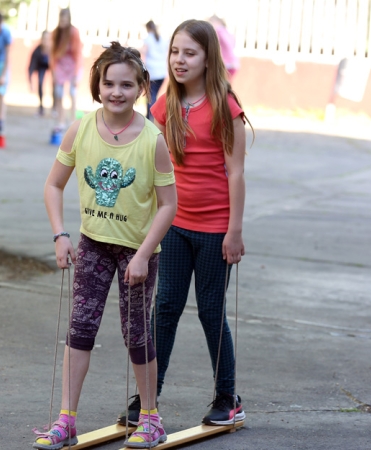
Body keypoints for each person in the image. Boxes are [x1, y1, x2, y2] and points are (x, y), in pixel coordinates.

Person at [37, 41, 177, 450]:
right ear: (97, 85)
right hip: (93, 245)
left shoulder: (152, 139)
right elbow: (53, 185)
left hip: (138, 252)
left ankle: (151, 419)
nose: (117, 92)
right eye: (109, 83)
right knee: (80, 329)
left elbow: (169, 205)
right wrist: (61, 234)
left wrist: (143, 254)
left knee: (136, 335)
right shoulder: (81, 128)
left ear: (141, 88)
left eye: (127, 85)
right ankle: (66, 420)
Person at [118, 19, 252, 428]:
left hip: (215, 231)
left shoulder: (226, 107)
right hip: (173, 226)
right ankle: (148, 398)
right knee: (165, 309)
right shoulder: (164, 104)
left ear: (208, 58)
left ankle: (227, 397)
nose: (179, 60)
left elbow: (236, 173)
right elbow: (149, 160)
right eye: (175, 51)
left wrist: (234, 231)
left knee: (211, 312)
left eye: (189, 53)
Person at [50, 8, 83, 133]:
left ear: (68, 19)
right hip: (60, 65)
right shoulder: (56, 33)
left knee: (72, 92)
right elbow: (53, 55)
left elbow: (78, 54)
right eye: (61, 19)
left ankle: (72, 121)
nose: (62, 21)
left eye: (65, 19)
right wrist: (53, 73)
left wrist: (75, 75)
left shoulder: (74, 32)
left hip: (73, 64)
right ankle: (61, 121)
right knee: (58, 93)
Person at [141, 20, 168, 121]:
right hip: (161, 71)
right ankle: (152, 116)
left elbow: (144, 51)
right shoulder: (161, 39)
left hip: (152, 72)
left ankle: (150, 116)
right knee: (154, 95)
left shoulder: (148, 39)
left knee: (150, 95)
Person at [209, 15, 239, 82]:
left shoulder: (218, 31)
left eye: (211, 22)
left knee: (221, 85)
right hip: (233, 63)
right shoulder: (226, 31)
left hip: (226, 64)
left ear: (217, 22)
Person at [28, 31, 52, 116]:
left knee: (55, 83)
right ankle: (41, 108)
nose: (46, 41)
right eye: (44, 39)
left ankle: (55, 107)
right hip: (41, 67)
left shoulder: (53, 50)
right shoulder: (37, 51)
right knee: (40, 82)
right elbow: (30, 68)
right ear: (41, 39)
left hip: (52, 66)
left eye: (48, 39)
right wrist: (31, 83)